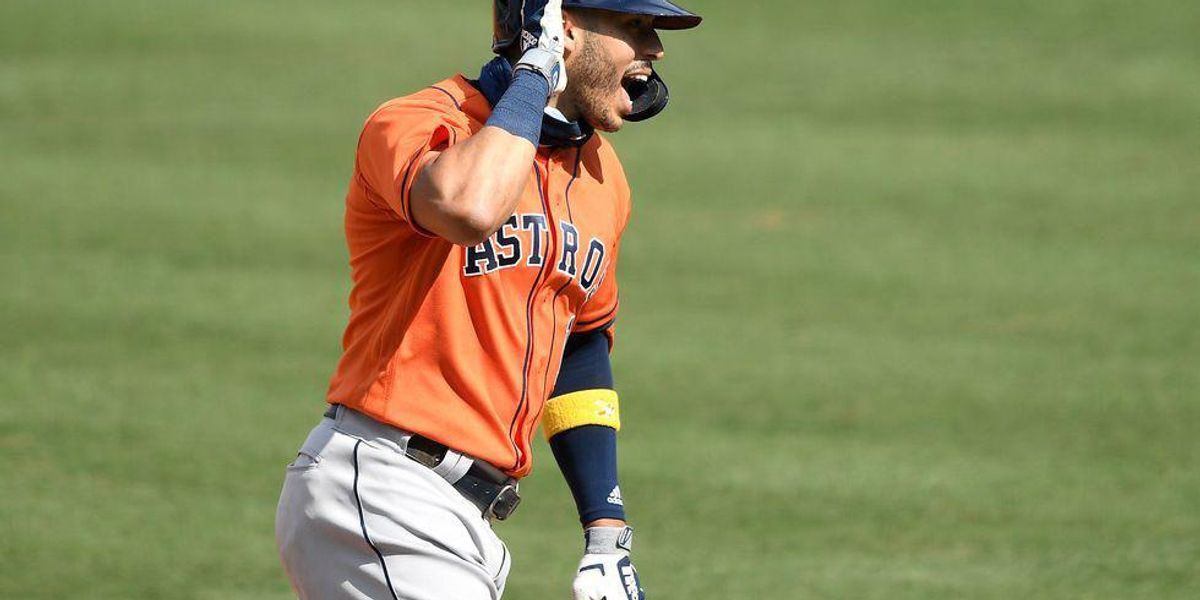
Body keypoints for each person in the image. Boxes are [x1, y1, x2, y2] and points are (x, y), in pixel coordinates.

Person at [274, 1, 701, 598]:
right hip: (384, 487)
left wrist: (606, 532)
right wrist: (536, 71)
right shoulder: (422, 121)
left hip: (466, 518)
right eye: (635, 27)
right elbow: (466, 209)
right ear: (563, 27)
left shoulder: (604, 178)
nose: (654, 50)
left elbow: (578, 348)